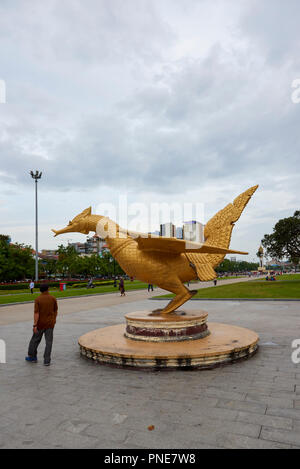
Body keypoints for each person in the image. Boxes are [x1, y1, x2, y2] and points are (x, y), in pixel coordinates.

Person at [25, 283, 58, 366]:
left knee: (35, 340)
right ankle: (47, 360)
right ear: (48, 289)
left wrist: (35, 325)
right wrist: (54, 320)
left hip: (40, 324)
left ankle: (32, 357)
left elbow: (36, 313)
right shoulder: (53, 298)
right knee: (49, 342)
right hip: (50, 324)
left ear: (40, 290)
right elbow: (55, 310)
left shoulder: (38, 299)